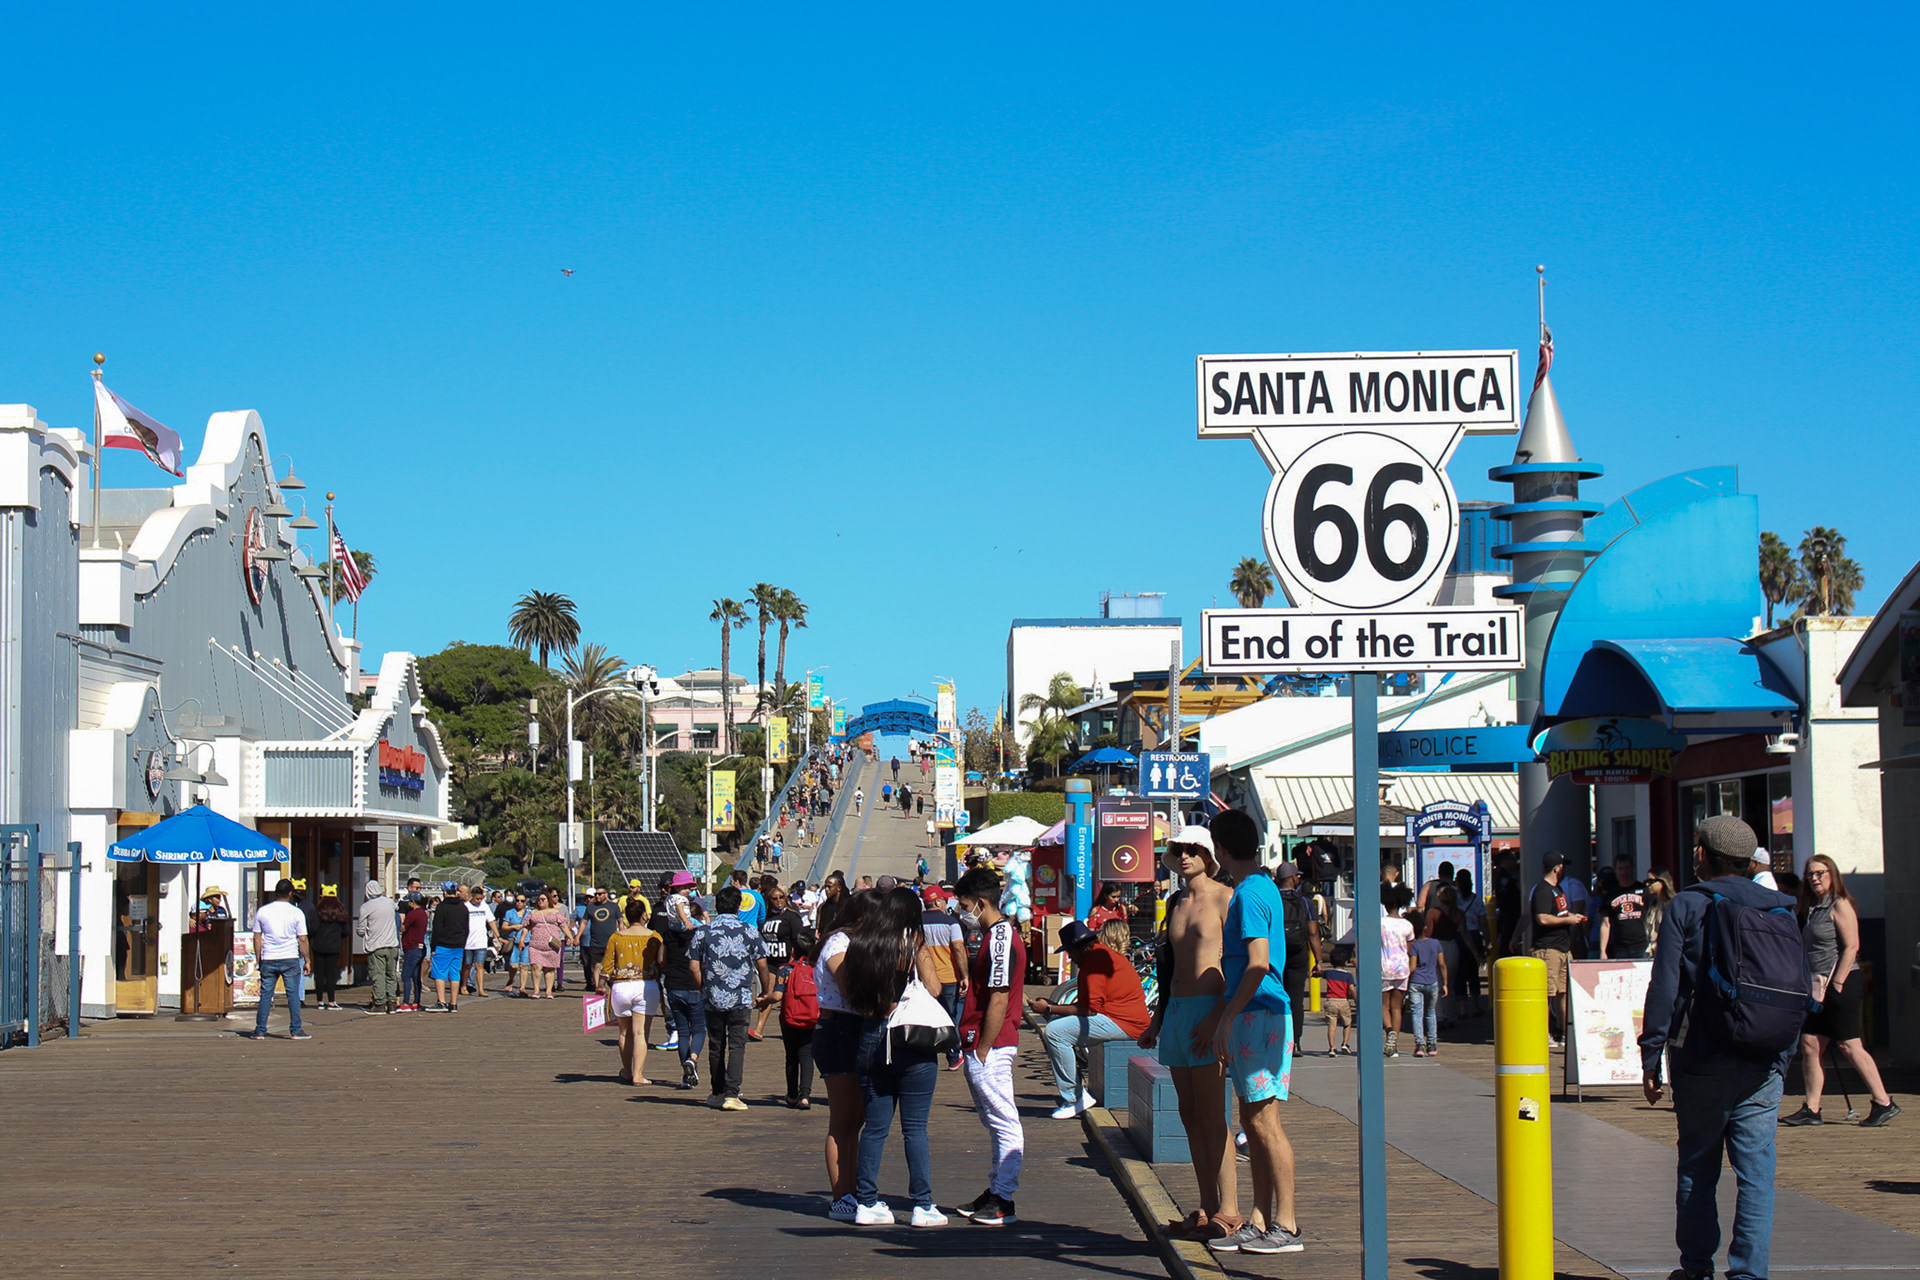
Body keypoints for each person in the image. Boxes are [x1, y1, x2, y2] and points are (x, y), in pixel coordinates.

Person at [1640, 816, 1810, 1280]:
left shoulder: (1688, 904)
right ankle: (1749, 1274)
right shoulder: (1781, 907)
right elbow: (1798, 983)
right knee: (1756, 1174)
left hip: (1702, 1055)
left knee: (1698, 1166)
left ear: (1703, 855)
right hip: (1765, 1057)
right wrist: (1784, 1055)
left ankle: (1696, 1269)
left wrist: (1651, 1054)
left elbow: (1666, 985)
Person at [1203, 809, 1301, 1256]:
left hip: (1259, 1013)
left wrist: (1227, 1017)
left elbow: (1258, 963)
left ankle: (1287, 1223)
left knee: (1264, 1122)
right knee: (1252, 1121)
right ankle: (1261, 1219)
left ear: (1221, 849)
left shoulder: (1249, 894)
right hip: (1258, 1012)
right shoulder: (1261, 886)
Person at [1138, 824, 1238, 1241]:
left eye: (1193, 849)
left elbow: (1237, 963)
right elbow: (1169, 968)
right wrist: (1158, 1019)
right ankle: (1207, 1205)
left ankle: (1229, 1209)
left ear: (1209, 855)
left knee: (1213, 1113)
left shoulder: (1225, 898)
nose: (1184, 856)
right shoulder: (1175, 900)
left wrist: (1219, 1016)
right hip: (1177, 1010)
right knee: (1189, 1113)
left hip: (1208, 1009)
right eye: (1178, 849)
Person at [845, 886, 947, 1227]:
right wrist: (921, 951)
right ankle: (923, 1205)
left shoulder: (861, 942)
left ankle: (866, 1203)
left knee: (874, 1129)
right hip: (909, 1039)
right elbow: (934, 988)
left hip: (870, 1036)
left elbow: (852, 994)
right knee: (915, 1129)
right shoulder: (912, 942)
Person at [1783, 854, 1899, 1127]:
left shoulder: (1840, 904)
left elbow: (1851, 946)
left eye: (1820, 873)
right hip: (1816, 986)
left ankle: (1883, 1102)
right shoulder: (1811, 907)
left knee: (1849, 1044)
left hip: (1841, 983)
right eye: (1810, 874)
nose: (1814, 878)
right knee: (1810, 1044)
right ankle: (1812, 1109)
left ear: (1832, 875)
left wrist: (1836, 983)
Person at [952, 866, 1024, 1227]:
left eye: (965, 906)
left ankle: (1004, 1198)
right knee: (995, 1121)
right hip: (983, 1042)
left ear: (981, 902)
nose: (963, 913)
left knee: (1003, 1121)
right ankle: (997, 1189)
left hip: (991, 1044)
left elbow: (999, 996)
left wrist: (983, 1048)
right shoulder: (997, 935)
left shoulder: (999, 938)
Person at [1028, 919, 1149, 1118]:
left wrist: (1050, 1008)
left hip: (1125, 1023)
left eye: (1070, 952)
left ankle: (1075, 1098)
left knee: (1055, 1032)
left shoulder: (1095, 961)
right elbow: (1089, 1005)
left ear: (1079, 948)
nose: (1070, 957)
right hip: (1121, 1018)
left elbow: (1089, 1010)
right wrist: (1053, 1007)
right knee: (1057, 1027)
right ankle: (1075, 1094)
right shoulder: (1098, 955)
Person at [815, 888, 876, 1221]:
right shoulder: (839, 943)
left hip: (855, 1028)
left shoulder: (858, 942)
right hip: (839, 1029)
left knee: (857, 1119)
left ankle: (853, 1190)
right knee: (842, 1119)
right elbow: (848, 988)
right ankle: (841, 1195)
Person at [690, 885, 773, 1111]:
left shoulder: (703, 932)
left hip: (712, 996)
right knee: (737, 1045)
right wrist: (765, 992)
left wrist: (703, 988)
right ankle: (732, 1094)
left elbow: (694, 967)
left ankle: (717, 1092)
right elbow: (762, 965)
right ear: (738, 906)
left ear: (717, 906)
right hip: (741, 997)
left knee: (716, 1045)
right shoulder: (750, 931)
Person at [597, 898, 664, 1086]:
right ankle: (638, 1074)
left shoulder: (617, 937)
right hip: (646, 985)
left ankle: (627, 1071)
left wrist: (600, 985)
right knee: (641, 1033)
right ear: (644, 915)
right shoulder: (655, 937)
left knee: (624, 1033)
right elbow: (662, 961)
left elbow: (607, 965)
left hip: (621, 986)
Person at [651, 886, 705, 1088]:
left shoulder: (668, 934)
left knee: (682, 1032)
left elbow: (661, 959)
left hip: (673, 984)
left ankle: (686, 1075)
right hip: (694, 985)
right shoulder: (698, 934)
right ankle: (693, 1058)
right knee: (698, 1029)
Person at [1530, 852, 1585, 1047]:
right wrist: (1568, 920)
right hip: (1548, 948)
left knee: (1563, 992)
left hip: (1562, 948)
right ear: (1557, 868)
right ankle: (1543, 1034)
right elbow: (1542, 918)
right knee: (1546, 993)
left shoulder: (1557, 889)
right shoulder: (1543, 890)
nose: (1565, 870)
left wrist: (1572, 916)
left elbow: (1559, 913)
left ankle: (1563, 1033)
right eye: (1563, 866)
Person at [250, 878, 312, 1040]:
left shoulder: (263, 911)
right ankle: (296, 1030)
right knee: (292, 995)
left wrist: (258, 958)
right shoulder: (296, 912)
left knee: (265, 994)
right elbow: (302, 938)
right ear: (290, 893)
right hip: (290, 957)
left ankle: (260, 1030)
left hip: (269, 957)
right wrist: (307, 960)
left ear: (276, 893)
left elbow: (257, 937)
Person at [919, 887, 968, 1070]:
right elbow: (958, 949)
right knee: (951, 1017)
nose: (946, 903)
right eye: (944, 900)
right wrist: (964, 975)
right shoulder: (951, 923)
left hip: (926, 979)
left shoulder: (917, 923)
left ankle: (927, 1054)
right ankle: (953, 1055)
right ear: (938, 901)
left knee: (927, 1018)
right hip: (949, 977)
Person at [1274, 862, 1320, 1054]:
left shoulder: (1273, 898)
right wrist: (1318, 960)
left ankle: (1276, 1040)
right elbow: (1313, 933)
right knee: (1296, 999)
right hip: (1298, 954)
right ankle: (1295, 1042)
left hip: (1276, 953)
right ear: (1293, 878)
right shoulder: (1305, 901)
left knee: (1275, 997)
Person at [752, 884, 804, 1042]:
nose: (779, 901)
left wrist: (792, 962)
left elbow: (798, 940)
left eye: (782, 897)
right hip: (771, 962)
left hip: (786, 961)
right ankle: (758, 1029)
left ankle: (793, 1026)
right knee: (769, 991)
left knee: (783, 997)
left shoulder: (792, 917)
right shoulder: (767, 918)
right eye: (774, 898)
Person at [780, 933, 821, 1108]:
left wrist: (764, 1000)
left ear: (793, 951)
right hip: (811, 1016)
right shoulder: (817, 969)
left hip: (789, 1018)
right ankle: (805, 1096)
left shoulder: (785, 970)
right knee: (807, 1055)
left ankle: (792, 1095)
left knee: (791, 1056)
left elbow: (777, 995)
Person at [1406, 910, 1448, 1058]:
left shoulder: (1414, 946)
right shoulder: (1435, 943)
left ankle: (1419, 1044)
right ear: (1425, 928)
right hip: (1432, 981)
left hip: (1416, 982)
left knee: (1417, 1013)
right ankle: (1432, 1043)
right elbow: (1441, 964)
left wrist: (1405, 977)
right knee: (1431, 1013)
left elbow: (1412, 967)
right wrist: (1445, 983)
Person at [355, 880, 401, 1014]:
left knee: (378, 975)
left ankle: (379, 1003)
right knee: (391, 974)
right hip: (393, 944)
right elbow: (396, 908)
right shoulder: (389, 902)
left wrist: (364, 932)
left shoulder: (366, 907)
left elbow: (360, 929)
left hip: (376, 946)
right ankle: (392, 1002)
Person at [1379, 884, 1414, 1058]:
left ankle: (1389, 1030)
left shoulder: (1380, 923)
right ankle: (1394, 1046)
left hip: (1384, 967)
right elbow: (1409, 949)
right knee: (1397, 1007)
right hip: (1402, 968)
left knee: (1382, 1005)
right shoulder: (1408, 925)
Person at [427, 884, 472, 1012]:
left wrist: (433, 946)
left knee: (439, 973)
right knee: (454, 973)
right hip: (458, 946)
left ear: (445, 892)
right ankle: (453, 1003)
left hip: (443, 944)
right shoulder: (463, 907)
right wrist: (462, 943)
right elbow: (466, 928)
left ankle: (441, 1002)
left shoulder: (442, 907)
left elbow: (437, 928)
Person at [1599, 854, 1651, 960]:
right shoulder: (1610, 896)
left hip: (1643, 945)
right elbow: (1605, 924)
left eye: (1627, 868)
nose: (1624, 872)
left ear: (1633, 867)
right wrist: (1602, 951)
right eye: (1620, 868)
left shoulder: (1644, 891)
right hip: (1621, 948)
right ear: (1615, 870)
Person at [310, 886, 350, 1010]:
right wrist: (338, 936)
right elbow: (347, 931)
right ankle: (331, 1001)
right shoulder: (340, 911)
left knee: (319, 974)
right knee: (331, 974)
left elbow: (313, 928)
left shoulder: (318, 910)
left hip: (319, 946)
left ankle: (320, 1001)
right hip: (334, 946)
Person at [579, 887, 621, 993]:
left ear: (606, 894)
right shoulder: (591, 907)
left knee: (612, 967)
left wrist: (622, 935)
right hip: (595, 942)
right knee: (596, 966)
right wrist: (577, 936)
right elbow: (584, 922)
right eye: (596, 894)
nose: (597, 896)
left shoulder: (614, 907)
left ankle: (613, 989)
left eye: (600, 894)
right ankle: (599, 989)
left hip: (611, 942)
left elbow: (620, 921)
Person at [461, 884, 497, 997]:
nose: (479, 901)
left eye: (481, 899)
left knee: (480, 965)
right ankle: (463, 985)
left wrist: (498, 935)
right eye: (477, 899)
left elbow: (491, 921)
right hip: (468, 942)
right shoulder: (465, 907)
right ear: (472, 896)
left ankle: (481, 989)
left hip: (481, 941)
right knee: (467, 965)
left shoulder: (484, 906)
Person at [1320, 951, 1356, 1055]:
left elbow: (1319, 973)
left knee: (1332, 1025)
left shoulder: (1328, 973)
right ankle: (1345, 1043)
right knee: (1347, 1023)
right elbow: (1352, 989)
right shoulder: (1348, 976)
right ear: (1346, 962)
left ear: (1331, 962)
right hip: (1343, 1001)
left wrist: (1314, 973)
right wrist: (1356, 1000)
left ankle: (1332, 1047)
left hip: (1331, 1001)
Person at [397, 890, 429, 1011]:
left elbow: (403, 928)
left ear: (413, 902)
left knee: (406, 975)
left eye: (409, 902)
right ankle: (416, 1002)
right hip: (420, 946)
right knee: (416, 977)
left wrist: (400, 922)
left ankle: (406, 1002)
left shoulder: (413, 914)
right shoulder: (423, 913)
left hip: (412, 947)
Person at [500, 892, 531, 995]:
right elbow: (504, 927)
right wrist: (513, 927)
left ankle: (523, 987)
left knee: (524, 966)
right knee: (513, 965)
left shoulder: (529, 913)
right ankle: (511, 979)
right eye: (517, 900)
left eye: (522, 901)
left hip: (526, 942)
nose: (519, 903)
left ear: (525, 902)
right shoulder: (510, 913)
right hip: (513, 942)